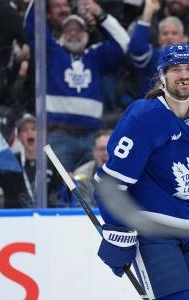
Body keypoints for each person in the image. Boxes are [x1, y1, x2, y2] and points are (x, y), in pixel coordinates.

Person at [94, 44, 189, 299]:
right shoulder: (144, 117)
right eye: (175, 69)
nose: (183, 75)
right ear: (162, 76)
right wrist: (117, 228)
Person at [24, 0, 130, 172]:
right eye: (68, 30)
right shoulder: (52, 52)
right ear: (61, 34)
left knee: (96, 188)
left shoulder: (96, 56)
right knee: (59, 187)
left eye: (79, 29)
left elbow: (124, 43)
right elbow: (31, 26)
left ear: (87, 33)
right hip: (58, 137)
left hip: (91, 138)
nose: (74, 34)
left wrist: (100, 15)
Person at [129, 0, 189, 98]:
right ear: (159, 39)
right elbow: (136, 47)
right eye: (165, 33)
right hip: (154, 107)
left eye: (174, 33)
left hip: (187, 109)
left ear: (184, 38)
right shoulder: (152, 56)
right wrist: (148, 11)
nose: (169, 37)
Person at [14, 113, 67, 207]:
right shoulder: (13, 161)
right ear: (18, 137)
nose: (30, 133)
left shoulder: (54, 160)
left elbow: (62, 193)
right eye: (25, 130)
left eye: (34, 129)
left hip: (48, 217)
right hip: (19, 217)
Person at [73, 129, 112, 207]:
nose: (106, 153)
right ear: (94, 152)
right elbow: (85, 211)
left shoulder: (130, 173)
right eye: (102, 149)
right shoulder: (81, 175)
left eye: (110, 148)